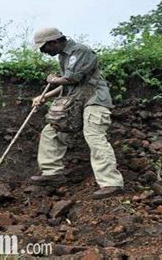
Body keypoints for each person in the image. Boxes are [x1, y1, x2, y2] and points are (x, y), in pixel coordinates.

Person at [30, 27, 124, 199]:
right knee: (52, 131)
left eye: (44, 48)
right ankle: (52, 173)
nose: (43, 52)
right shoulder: (63, 56)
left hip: (95, 100)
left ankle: (111, 183)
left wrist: (52, 79)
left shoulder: (80, 51)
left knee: (94, 135)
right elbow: (67, 84)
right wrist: (45, 97)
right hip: (76, 101)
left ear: (54, 42)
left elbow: (73, 78)